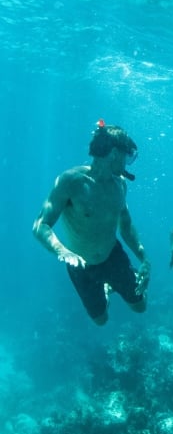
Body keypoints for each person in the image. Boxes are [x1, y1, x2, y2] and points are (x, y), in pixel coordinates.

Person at [32, 121, 151, 325]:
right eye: (127, 157)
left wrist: (143, 258)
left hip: (112, 255)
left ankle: (114, 282)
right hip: (80, 264)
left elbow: (126, 225)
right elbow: (40, 225)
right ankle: (106, 288)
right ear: (115, 153)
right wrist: (63, 252)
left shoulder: (120, 185)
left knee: (140, 307)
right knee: (101, 320)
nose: (127, 164)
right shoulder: (70, 181)